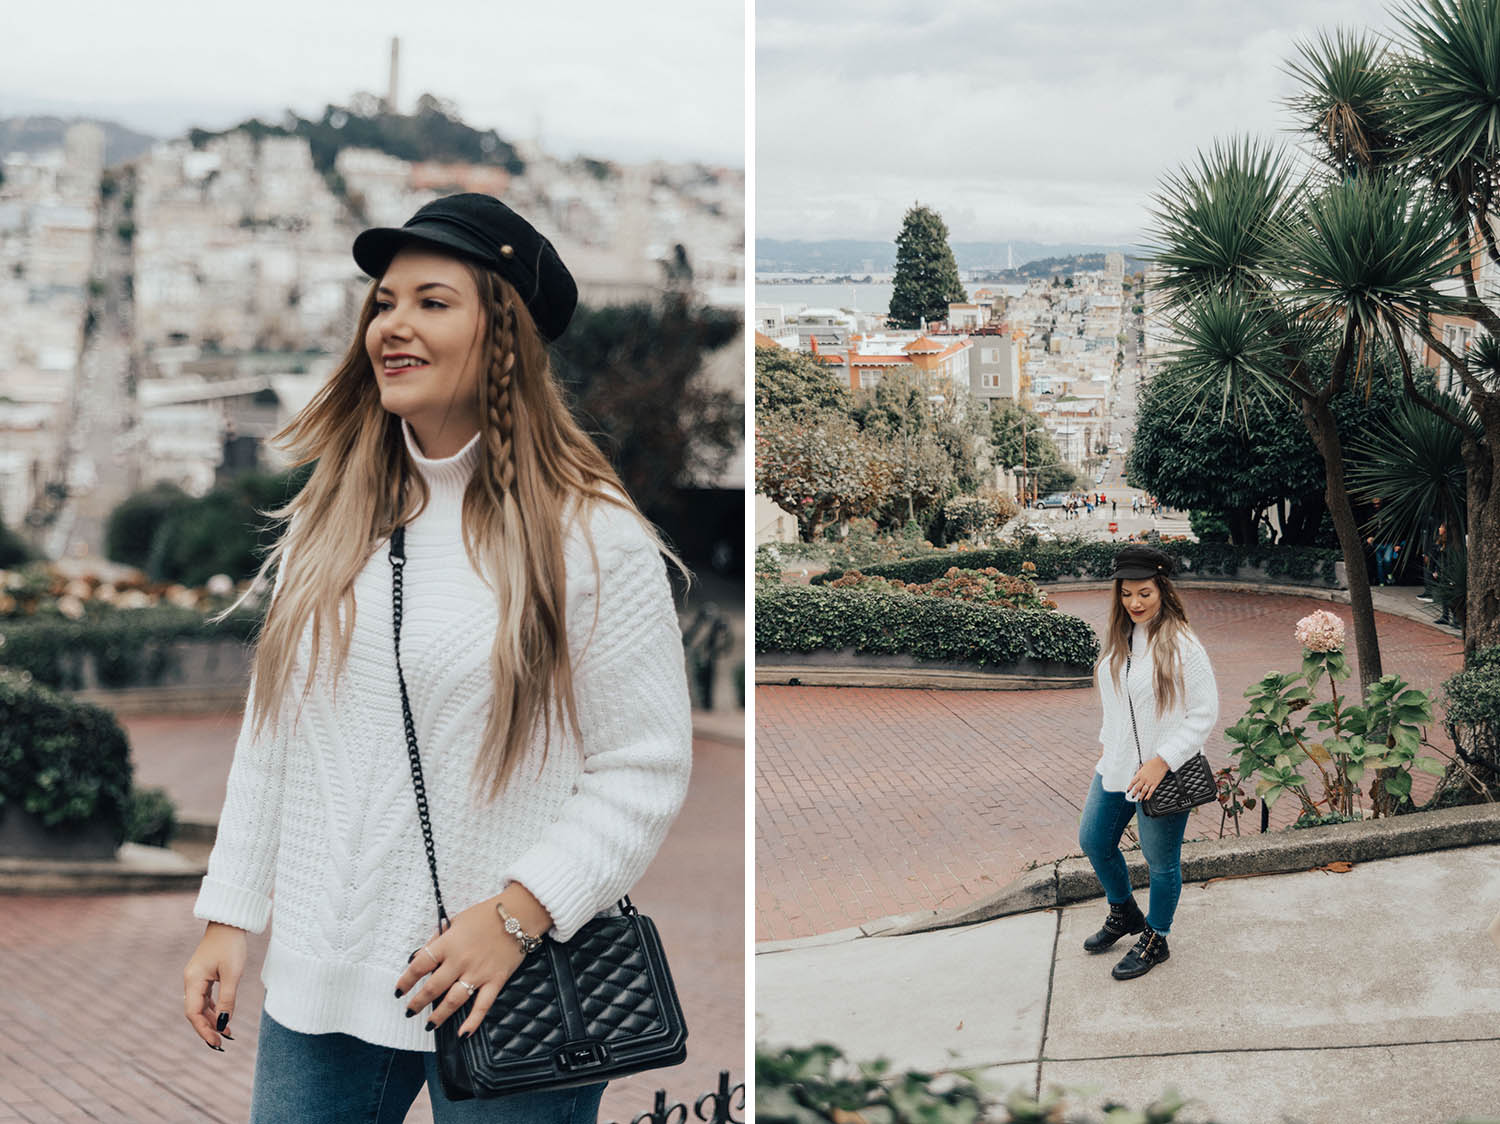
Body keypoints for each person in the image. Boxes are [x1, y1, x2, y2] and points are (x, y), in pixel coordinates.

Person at [181, 193, 694, 1122]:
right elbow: (276, 739)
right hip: (324, 980)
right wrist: (231, 915)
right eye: (383, 302)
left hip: (513, 984)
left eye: (432, 301)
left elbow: (645, 767)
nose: (394, 325)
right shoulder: (329, 523)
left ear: (504, 337)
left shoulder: (590, 538)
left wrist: (515, 918)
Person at [1078, 546, 1219, 980]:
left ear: (1163, 590)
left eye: (1145, 593)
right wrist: (1108, 751)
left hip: (1162, 774)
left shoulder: (1181, 643)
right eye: (1126, 594)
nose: (1135, 603)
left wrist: (1162, 761)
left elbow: (1204, 713)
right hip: (1116, 767)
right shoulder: (1122, 636)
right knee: (1094, 840)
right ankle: (1124, 913)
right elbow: (1117, 707)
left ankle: (1157, 937)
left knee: (1161, 864)